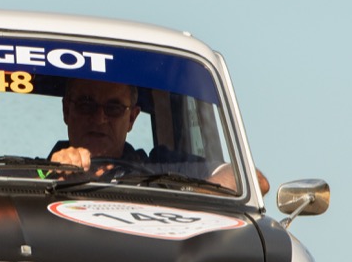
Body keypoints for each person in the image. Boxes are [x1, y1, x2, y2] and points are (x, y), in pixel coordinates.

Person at [48, 79, 269, 194]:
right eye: (87, 105)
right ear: (67, 110)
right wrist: (57, 174)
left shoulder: (161, 167)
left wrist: (192, 196)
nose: (99, 118)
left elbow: (255, 181)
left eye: (113, 109)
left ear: (132, 119)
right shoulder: (28, 176)